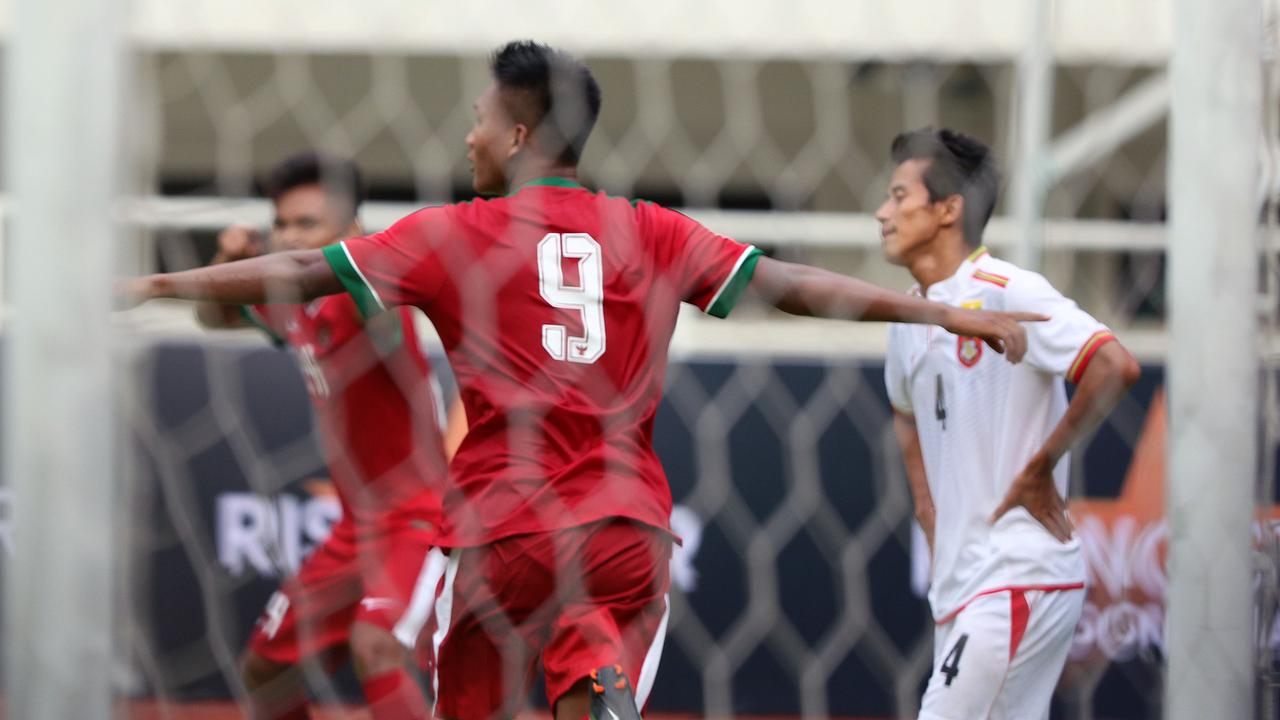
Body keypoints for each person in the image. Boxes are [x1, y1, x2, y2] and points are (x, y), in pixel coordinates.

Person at [120, 42, 1044, 720]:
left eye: (480, 122)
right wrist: (938, 311)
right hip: (620, 528)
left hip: (496, 535)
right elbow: (793, 287)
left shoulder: (451, 235)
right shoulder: (652, 228)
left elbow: (298, 273)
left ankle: (586, 667)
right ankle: (593, 672)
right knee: (593, 638)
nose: (469, 138)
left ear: (518, 134)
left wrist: (157, 280)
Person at [876, 128, 1141, 720]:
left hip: (1017, 573)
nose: (882, 213)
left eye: (898, 196)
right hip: (964, 584)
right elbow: (904, 412)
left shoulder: (1008, 291)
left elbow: (1114, 364)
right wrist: (927, 508)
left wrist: (1042, 466)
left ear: (949, 209)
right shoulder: (906, 315)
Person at [194, 152, 450, 720]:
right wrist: (226, 260)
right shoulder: (292, 303)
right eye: (281, 223)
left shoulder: (365, 297)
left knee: (376, 644)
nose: (288, 235)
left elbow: (379, 304)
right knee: (264, 671)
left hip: (419, 521)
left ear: (351, 232)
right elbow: (213, 318)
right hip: (355, 531)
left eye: (306, 224)